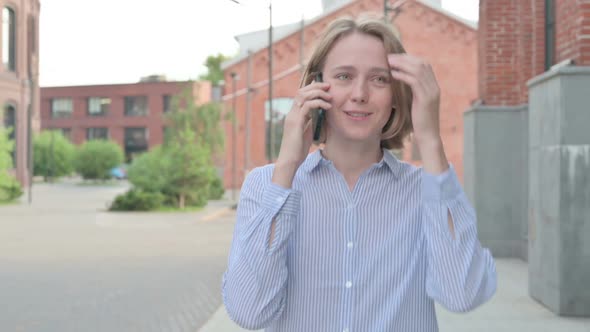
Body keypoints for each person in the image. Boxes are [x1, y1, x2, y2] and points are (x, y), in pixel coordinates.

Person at [222, 14, 496, 332]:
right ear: (316, 87)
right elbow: (249, 312)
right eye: (344, 76)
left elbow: (462, 295)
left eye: (379, 79)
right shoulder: (267, 185)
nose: (360, 93)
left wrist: (431, 140)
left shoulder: (428, 190)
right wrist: (286, 167)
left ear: (397, 95)